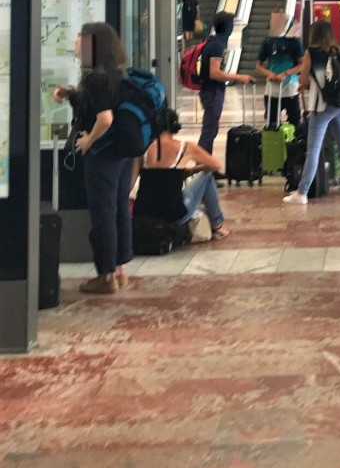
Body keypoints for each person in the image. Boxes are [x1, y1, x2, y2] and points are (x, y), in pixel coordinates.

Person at [53, 22, 134, 295]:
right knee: (120, 210)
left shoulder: (94, 78)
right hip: (120, 154)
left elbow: (105, 118)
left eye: (80, 37)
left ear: (92, 44)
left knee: (103, 215)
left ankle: (105, 276)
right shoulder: (114, 74)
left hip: (103, 156)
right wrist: (71, 95)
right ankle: (120, 271)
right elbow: (104, 106)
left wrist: (88, 140)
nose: (76, 41)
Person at [283, 20, 340, 205]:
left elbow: (304, 78)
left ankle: (302, 192)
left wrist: (304, 84)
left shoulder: (311, 53)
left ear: (313, 34)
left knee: (313, 149)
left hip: (321, 107)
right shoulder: (337, 49)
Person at [143, 108, 230, 239]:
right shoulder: (185, 147)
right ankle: (218, 224)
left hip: (147, 213)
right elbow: (216, 165)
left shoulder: (146, 148)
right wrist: (194, 170)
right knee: (206, 177)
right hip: (174, 215)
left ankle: (217, 224)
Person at [198, 11, 255, 154]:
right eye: (232, 24)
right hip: (212, 92)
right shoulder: (217, 45)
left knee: (211, 129)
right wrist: (239, 77)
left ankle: (207, 166)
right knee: (209, 131)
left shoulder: (214, 42)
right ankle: (203, 166)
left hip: (210, 91)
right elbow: (214, 73)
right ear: (228, 27)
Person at [255, 8, 304, 129]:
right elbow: (258, 66)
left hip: (291, 88)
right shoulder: (267, 41)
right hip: (272, 90)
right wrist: (269, 74)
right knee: (272, 124)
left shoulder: (294, 42)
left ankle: (293, 146)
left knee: (295, 122)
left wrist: (287, 73)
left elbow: (302, 64)